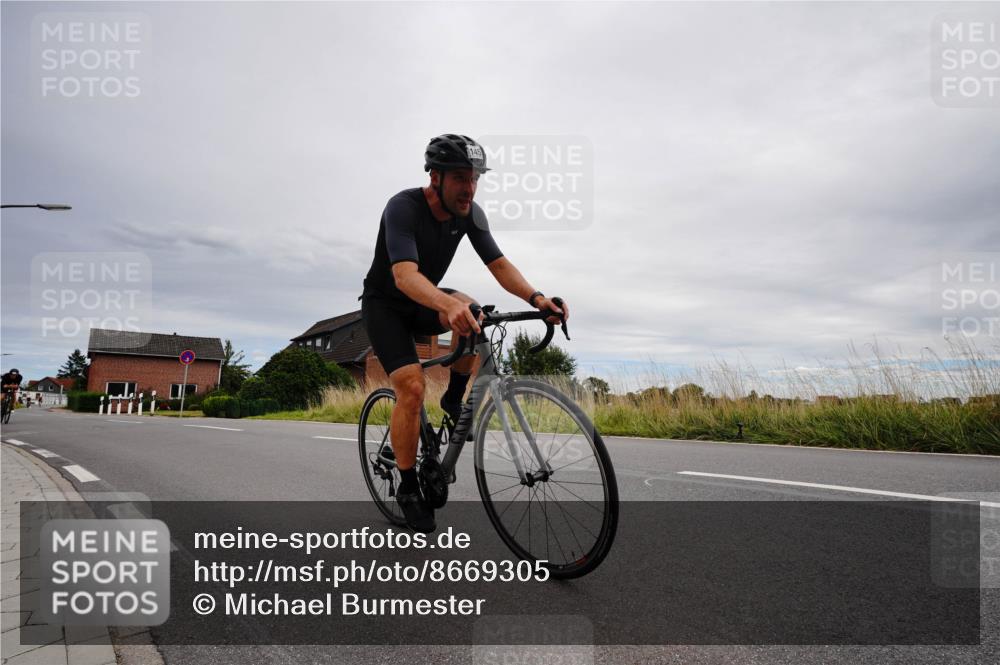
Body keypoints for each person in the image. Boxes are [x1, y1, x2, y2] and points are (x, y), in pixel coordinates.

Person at [360, 134, 568, 533]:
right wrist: (447, 304)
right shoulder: (403, 207)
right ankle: (406, 487)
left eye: (475, 178)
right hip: (387, 305)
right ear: (435, 177)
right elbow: (404, 276)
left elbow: (500, 264)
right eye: (460, 177)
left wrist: (537, 297)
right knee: (412, 386)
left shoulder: (470, 214)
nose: (470, 187)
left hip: (426, 301)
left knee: (475, 312)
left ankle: (455, 399)